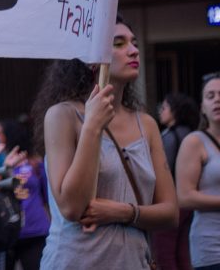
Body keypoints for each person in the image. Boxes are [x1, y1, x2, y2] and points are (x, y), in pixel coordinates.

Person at [33, 17, 178, 269]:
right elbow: (71, 207)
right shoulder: (63, 115)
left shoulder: (147, 124)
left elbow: (170, 213)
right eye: (118, 43)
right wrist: (92, 127)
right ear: (92, 58)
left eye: (134, 43)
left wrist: (122, 212)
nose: (133, 50)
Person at [175, 72, 220, 270]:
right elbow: (184, 197)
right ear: (202, 107)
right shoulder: (194, 142)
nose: (217, 100)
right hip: (213, 248)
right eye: (210, 96)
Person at [0, 119, 49, 270]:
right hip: (6, 231)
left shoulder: (35, 163)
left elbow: (48, 199)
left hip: (35, 231)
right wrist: (5, 169)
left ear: (10, 136)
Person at [157, 91, 198, 270]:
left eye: (164, 107)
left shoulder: (170, 137)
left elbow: (162, 171)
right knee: (182, 251)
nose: (160, 110)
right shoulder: (192, 135)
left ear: (175, 111)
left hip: (171, 201)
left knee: (164, 252)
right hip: (189, 203)